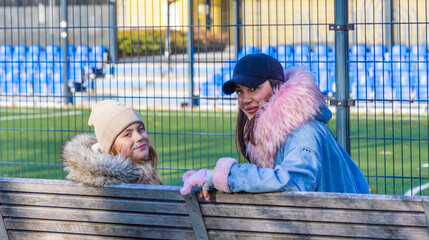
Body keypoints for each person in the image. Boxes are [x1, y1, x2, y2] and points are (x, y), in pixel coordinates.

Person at [181, 53, 369, 199]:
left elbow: (295, 181)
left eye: (253, 89)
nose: (245, 99)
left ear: (277, 86)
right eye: (240, 91)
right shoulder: (272, 131)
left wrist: (225, 176)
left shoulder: (304, 130)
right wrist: (213, 179)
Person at [61, 100, 162, 187]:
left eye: (140, 129)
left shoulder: (94, 180)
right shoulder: (133, 181)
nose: (139, 137)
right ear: (110, 147)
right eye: (127, 134)